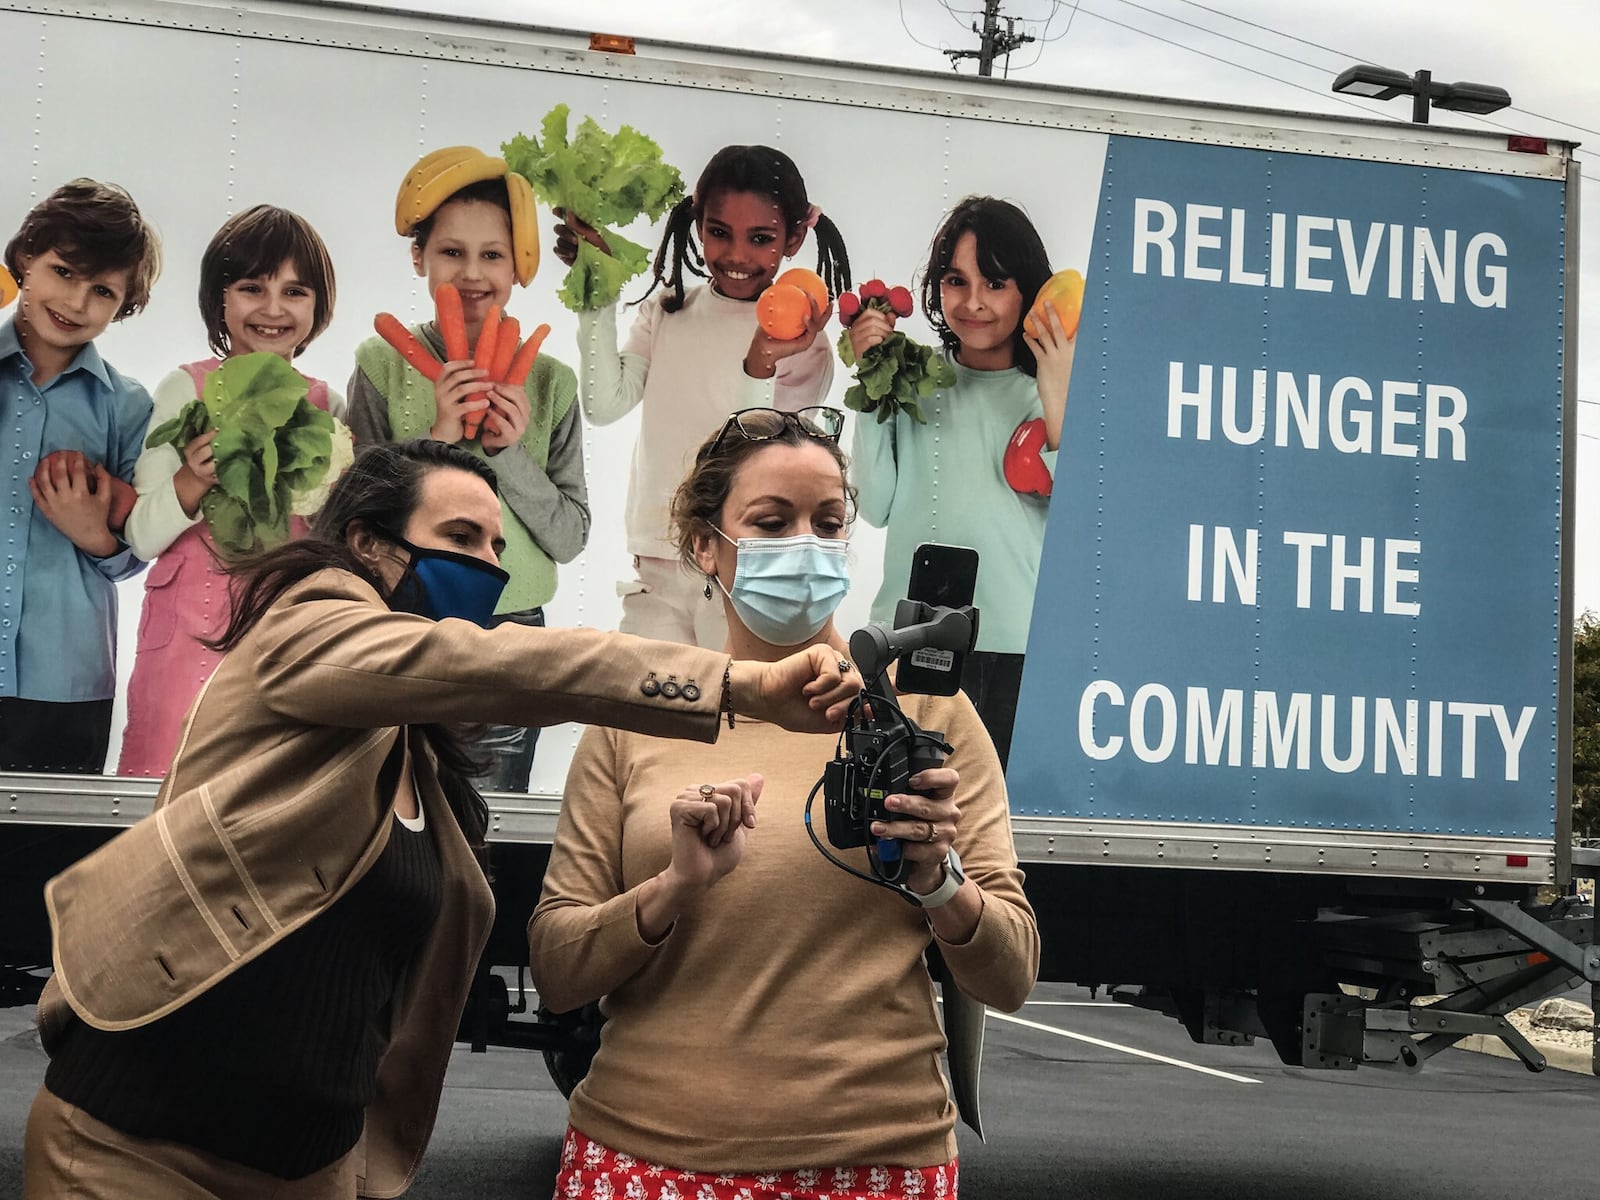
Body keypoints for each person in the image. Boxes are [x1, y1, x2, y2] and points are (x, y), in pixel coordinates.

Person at [23, 437, 863, 1199]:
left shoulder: (416, 752)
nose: (490, 568)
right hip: (134, 1147)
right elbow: (498, 662)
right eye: (462, 539)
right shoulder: (305, 629)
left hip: (305, 1167)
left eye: (499, 547)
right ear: (368, 545)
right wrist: (737, 685)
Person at [529, 409, 1039, 1200]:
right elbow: (558, 972)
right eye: (772, 522)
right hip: (644, 1158)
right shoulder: (638, 718)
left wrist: (940, 880)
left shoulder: (929, 714)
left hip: (878, 1162)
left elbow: (1010, 975)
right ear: (705, 545)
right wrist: (673, 887)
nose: (806, 543)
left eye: (829, 522)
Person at [349, 145, 588, 794]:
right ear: (420, 257)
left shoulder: (550, 382)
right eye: (452, 252)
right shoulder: (381, 361)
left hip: (515, 629)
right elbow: (350, 523)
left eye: (493, 255)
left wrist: (509, 453)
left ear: (519, 266)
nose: (472, 273)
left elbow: (569, 537)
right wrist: (440, 439)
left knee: (491, 822)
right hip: (403, 621)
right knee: (394, 809)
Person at [555, 143, 849, 647]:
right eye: (719, 233)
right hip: (657, 562)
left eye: (761, 238)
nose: (736, 255)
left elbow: (758, 454)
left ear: (795, 236)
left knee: (730, 717)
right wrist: (595, 292)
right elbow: (604, 405)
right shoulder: (667, 311)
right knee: (651, 717)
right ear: (696, 222)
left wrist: (762, 359)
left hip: (741, 566)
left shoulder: (806, 347)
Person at [118, 204, 346, 777]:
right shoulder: (186, 389)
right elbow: (142, 536)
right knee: (166, 795)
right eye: (251, 288)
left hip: (283, 638)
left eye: (295, 292)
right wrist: (192, 479)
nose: (273, 309)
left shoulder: (328, 407)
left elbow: (338, 545)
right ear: (220, 299)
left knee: (269, 799)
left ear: (318, 307)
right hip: (184, 640)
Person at [849, 196, 1076, 767]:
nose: (973, 302)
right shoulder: (914, 378)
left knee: (996, 833)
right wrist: (872, 380)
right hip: (906, 639)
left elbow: (1081, 519)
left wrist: (1057, 385)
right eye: (955, 280)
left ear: (1027, 288)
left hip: (1018, 650)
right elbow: (873, 506)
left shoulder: (1054, 392)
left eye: (995, 283)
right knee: (899, 824)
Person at [0, 178, 162, 773]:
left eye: (102, 290)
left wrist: (92, 531)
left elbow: (138, 548)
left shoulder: (128, 406)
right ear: (25, 259)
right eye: (63, 272)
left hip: (65, 686)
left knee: (47, 864)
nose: (75, 302)